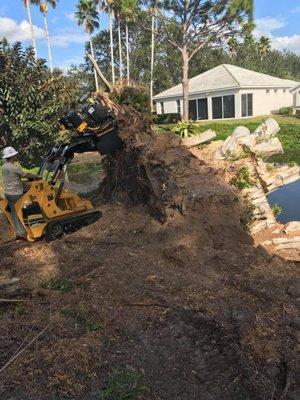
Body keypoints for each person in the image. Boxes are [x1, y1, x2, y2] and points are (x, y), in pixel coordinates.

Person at [2, 146, 36, 239]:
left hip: (8, 193)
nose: (16, 156)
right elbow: (25, 175)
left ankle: (17, 231)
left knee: (13, 211)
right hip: (16, 193)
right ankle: (23, 233)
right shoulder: (14, 167)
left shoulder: (4, 166)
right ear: (12, 156)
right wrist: (35, 176)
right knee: (21, 211)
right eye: (14, 155)